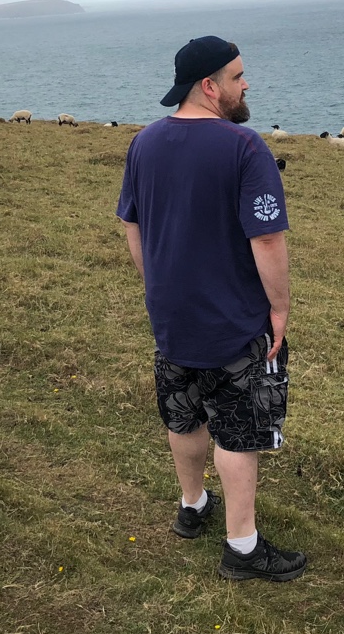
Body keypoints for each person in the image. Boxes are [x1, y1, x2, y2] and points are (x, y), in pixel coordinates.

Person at [116, 35, 307, 582]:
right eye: (238, 75)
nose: (246, 84)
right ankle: (242, 548)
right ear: (209, 85)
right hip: (233, 321)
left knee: (183, 413)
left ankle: (192, 504)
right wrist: (279, 310)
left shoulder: (143, 144)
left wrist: (158, 286)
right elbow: (266, 240)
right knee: (237, 431)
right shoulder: (243, 148)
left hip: (171, 318)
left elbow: (132, 223)